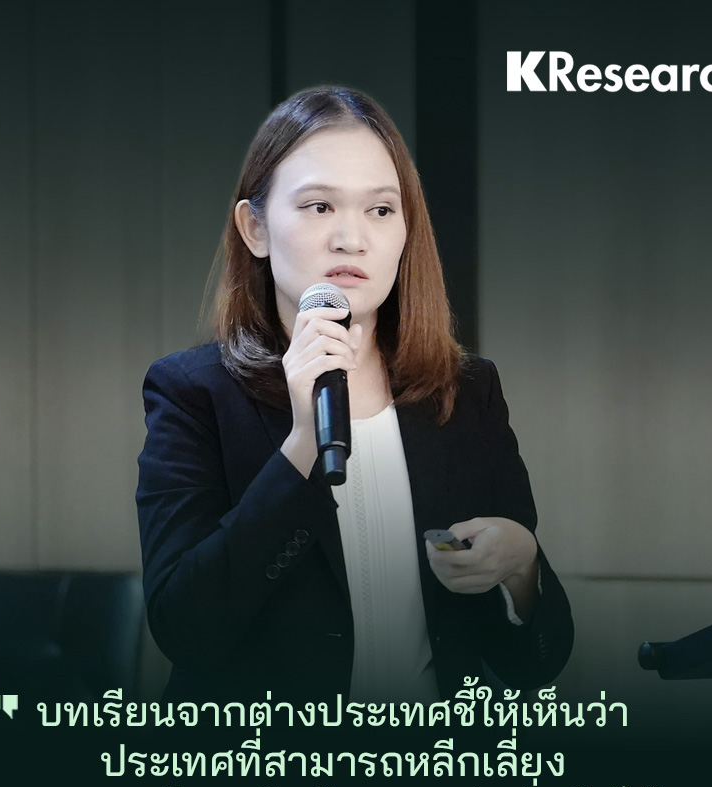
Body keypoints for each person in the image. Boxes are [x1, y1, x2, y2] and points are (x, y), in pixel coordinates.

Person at [137, 86, 573, 705]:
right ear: (255, 228)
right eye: (319, 206)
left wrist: (522, 568)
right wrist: (301, 446)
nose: (352, 238)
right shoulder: (192, 392)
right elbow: (185, 630)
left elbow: (538, 663)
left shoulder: (465, 391)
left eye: (381, 210)